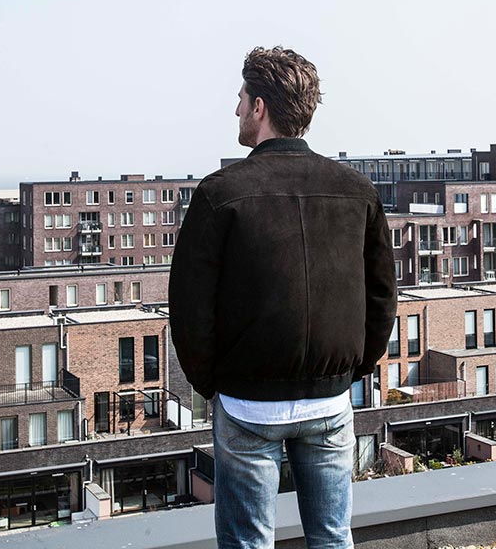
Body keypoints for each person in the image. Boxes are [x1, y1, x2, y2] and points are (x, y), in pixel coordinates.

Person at [169, 46, 397, 549]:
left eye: (241, 97)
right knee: (333, 538)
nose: (235, 108)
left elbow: (188, 308)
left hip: (249, 405)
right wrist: (351, 370)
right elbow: (383, 296)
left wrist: (215, 385)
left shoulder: (219, 193)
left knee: (249, 544)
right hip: (330, 399)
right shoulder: (357, 190)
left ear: (259, 107)